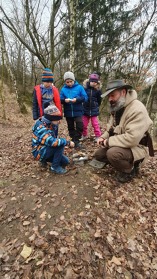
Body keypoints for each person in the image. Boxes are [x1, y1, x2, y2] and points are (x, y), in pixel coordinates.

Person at [94, 79, 154, 183]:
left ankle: (131, 169)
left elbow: (132, 139)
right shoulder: (118, 107)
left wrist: (108, 142)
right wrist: (103, 137)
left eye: (112, 95)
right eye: (109, 96)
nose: (110, 99)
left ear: (123, 92)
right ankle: (121, 162)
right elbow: (111, 129)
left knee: (112, 154)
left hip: (138, 147)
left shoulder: (137, 109)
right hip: (123, 144)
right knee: (99, 155)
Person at [32, 102, 74, 174]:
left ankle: (47, 160)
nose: (59, 121)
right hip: (39, 151)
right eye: (57, 119)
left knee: (65, 162)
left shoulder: (50, 123)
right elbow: (52, 142)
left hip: (45, 148)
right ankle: (54, 167)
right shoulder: (41, 127)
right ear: (51, 118)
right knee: (59, 144)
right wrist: (67, 142)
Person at [60, 71, 88, 148]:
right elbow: (60, 99)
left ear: (74, 80)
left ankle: (77, 140)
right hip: (68, 111)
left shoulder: (79, 87)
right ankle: (73, 140)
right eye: (67, 82)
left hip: (78, 110)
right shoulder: (63, 89)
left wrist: (77, 99)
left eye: (70, 81)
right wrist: (64, 100)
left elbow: (85, 97)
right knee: (70, 127)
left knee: (80, 125)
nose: (69, 83)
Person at [81, 73, 102, 142]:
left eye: (95, 82)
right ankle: (84, 135)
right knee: (84, 124)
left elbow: (99, 100)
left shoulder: (98, 91)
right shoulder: (84, 89)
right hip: (85, 109)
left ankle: (98, 136)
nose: (94, 83)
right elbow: (82, 97)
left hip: (94, 109)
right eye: (92, 81)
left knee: (95, 124)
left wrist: (96, 105)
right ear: (89, 81)